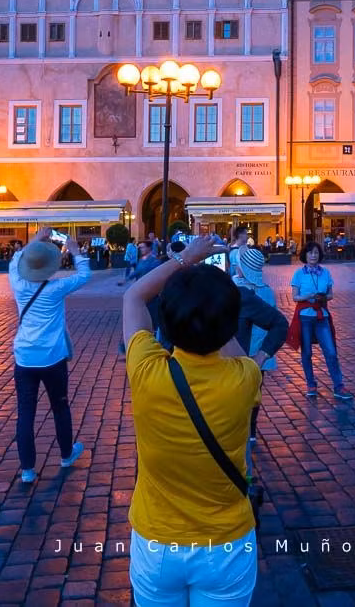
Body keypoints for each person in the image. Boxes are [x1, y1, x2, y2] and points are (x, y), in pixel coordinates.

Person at [123, 234, 261, 607]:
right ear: (230, 322)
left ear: (165, 324)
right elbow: (231, 348)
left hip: (157, 542)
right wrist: (216, 304)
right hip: (227, 543)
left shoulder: (146, 371)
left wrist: (186, 260)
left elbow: (134, 296)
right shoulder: (245, 377)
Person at [10, 229, 90, 483]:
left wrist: (35, 241)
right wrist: (76, 252)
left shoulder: (18, 283)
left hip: (24, 357)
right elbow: (85, 275)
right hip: (53, 356)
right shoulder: (56, 288)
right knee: (60, 406)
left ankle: (27, 470)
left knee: (25, 413)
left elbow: (15, 259)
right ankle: (66, 454)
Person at [232, 246, 287, 451]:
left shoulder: (234, 289)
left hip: (240, 348)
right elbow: (276, 321)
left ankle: (244, 430)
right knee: (256, 389)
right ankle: (251, 430)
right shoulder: (266, 290)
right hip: (260, 351)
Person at [288, 242, 353, 401]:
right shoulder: (299, 274)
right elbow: (295, 297)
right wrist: (308, 296)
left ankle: (338, 386)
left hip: (321, 316)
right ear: (305, 255)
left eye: (316, 253)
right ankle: (311, 384)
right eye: (310, 253)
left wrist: (323, 297)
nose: (313, 256)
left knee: (331, 352)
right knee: (307, 353)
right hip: (305, 317)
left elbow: (330, 294)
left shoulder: (325, 273)